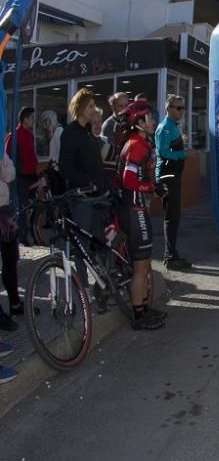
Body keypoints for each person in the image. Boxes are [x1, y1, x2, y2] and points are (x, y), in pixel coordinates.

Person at [59, 89, 113, 312]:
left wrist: (103, 183)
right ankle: (84, 293)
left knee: (99, 245)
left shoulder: (88, 132)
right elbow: (65, 166)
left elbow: (96, 163)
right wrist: (88, 181)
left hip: (97, 197)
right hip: (81, 198)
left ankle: (101, 289)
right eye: (90, 106)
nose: (94, 110)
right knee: (82, 250)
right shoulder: (70, 133)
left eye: (94, 105)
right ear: (80, 107)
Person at [117, 100, 168, 330]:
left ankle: (144, 308)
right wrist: (151, 188)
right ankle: (138, 315)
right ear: (138, 122)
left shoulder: (139, 142)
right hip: (133, 209)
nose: (153, 120)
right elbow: (128, 180)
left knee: (145, 264)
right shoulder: (136, 143)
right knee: (140, 266)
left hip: (138, 208)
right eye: (149, 117)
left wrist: (154, 186)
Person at [155, 94, 191, 270]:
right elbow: (161, 152)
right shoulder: (164, 128)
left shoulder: (173, 126)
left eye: (182, 107)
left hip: (173, 175)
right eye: (177, 107)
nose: (181, 111)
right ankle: (170, 256)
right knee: (171, 216)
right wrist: (182, 154)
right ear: (168, 109)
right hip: (167, 176)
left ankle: (171, 254)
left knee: (174, 216)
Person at [5, 107, 38, 244]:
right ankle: (22, 237)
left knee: (30, 206)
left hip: (30, 175)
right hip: (21, 176)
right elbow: (9, 155)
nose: (33, 121)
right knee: (21, 208)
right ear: (25, 119)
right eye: (31, 118)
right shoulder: (15, 135)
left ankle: (28, 233)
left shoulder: (30, 134)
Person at [0, 152, 20, 330]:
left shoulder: (1, 151)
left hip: (3, 210)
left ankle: (15, 303)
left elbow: (10, 173)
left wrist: (3, 168)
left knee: (11, 258)